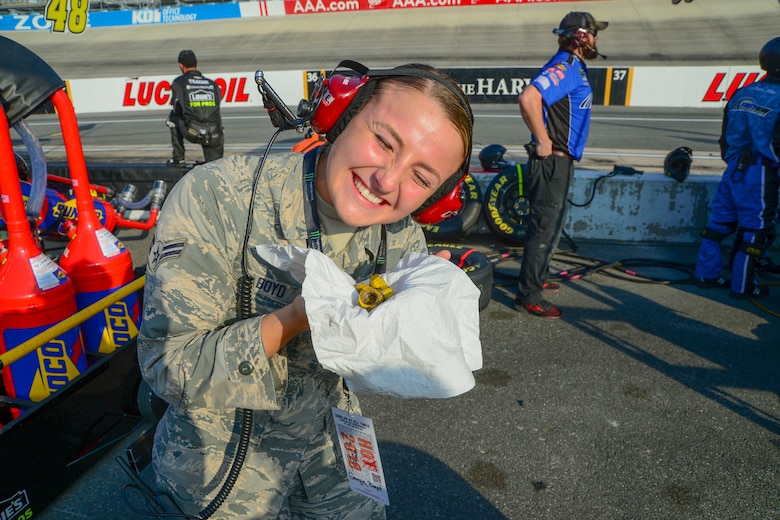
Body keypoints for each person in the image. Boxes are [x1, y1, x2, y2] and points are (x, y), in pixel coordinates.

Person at [138, 62, 473, 518]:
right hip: (219, 468)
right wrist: (292, 318)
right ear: (340, 115)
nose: (387, 182)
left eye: (421, 178)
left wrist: (419, 319)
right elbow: (167, 367)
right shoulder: (216, 197)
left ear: (437, 198)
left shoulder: (400, 236)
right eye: (383, 141)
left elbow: (376, 362)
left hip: (330, 449)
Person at [514, 11, 607, 319]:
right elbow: (529, 97)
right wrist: (542, 140)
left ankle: (536, 278)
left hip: (561, 162)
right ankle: (529, 295)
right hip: (551, 160)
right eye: (593, 33)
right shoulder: (564, 65)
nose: (596, 40)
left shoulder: (575, 67)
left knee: (550, 227)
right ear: (581, 37)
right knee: (542, 229)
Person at [693, 37, 780, 300]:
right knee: (755, 230)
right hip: (763, 174)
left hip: (733, 170)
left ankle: (706, 275)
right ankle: (743, 286)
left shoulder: (741, 92)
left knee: (718, 224)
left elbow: (724, 139)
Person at [166, 49, 224, 167]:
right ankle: (215, 162)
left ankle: (179, 159)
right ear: (197, 63)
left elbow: (177, 108)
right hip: (214, 135)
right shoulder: (213, 84)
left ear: (180, 65)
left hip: (193, 132)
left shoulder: (178, 82)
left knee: (173, 116)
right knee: (215, 120)